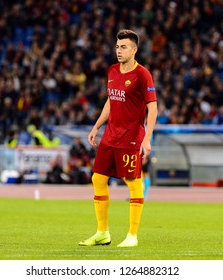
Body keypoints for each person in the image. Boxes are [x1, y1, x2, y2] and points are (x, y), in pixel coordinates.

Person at [78, 29, 157, 247]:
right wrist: (96, 126)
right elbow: (111, 101)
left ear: (134, 50)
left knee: (133, 182)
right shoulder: (112, 71)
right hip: (110, 135)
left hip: (131, 137)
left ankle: (132, 235)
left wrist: (147, 138)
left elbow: (153, 108)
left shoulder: (142, 75)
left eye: (123, 47)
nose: (119, 50)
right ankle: (102, 232)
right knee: (98, 179)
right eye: (117, 46)